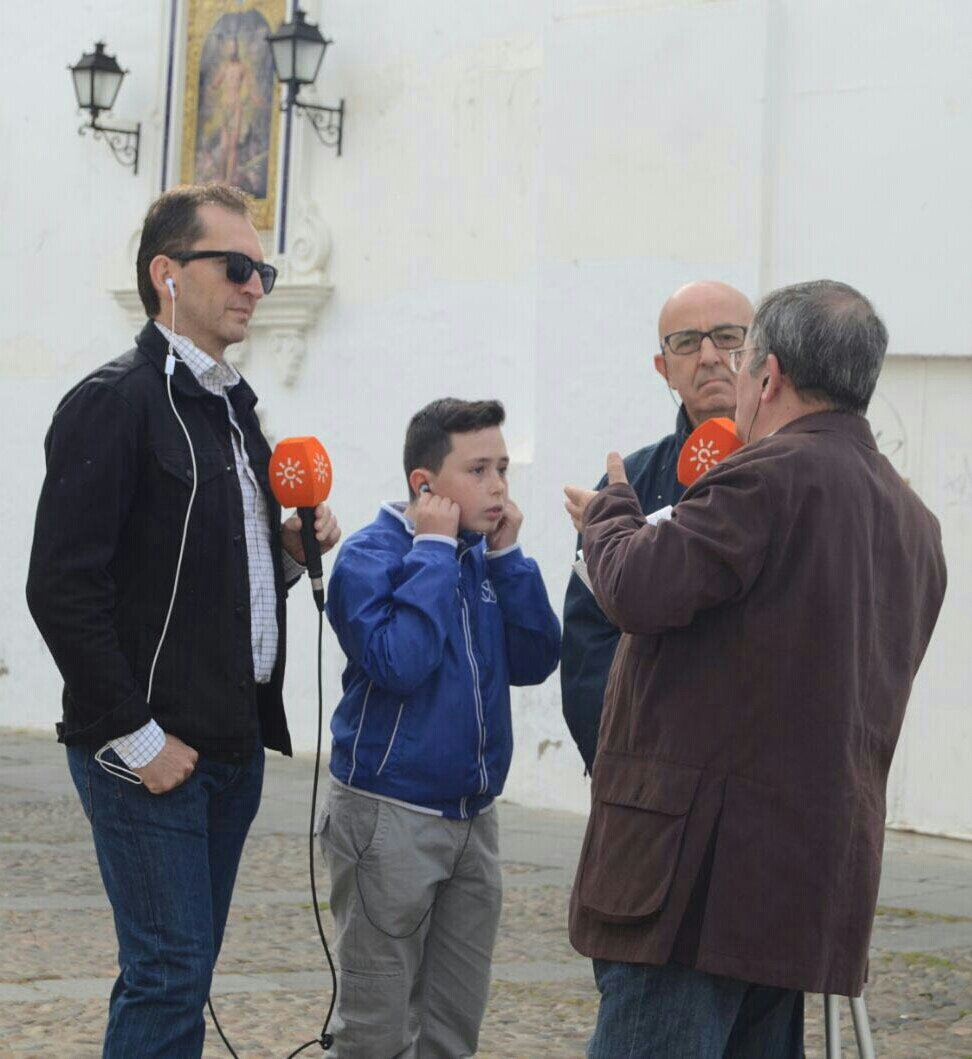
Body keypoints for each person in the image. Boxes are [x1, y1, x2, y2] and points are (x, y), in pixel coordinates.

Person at [563, 280, 947, 1058]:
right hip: (803, 885)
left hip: (695, 888)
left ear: (766, 377)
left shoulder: (767, 475)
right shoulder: (915, 523)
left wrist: (609, 512)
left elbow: (637, 584)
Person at [25, 183, 341, 1058]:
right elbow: (59, 585)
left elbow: (216, 578)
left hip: (227, 745)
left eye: (265, 270)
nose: (255, 285)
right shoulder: (116, 400)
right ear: (167, 274)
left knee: (181, 973)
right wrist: (136, 736)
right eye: (235, 266)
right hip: (148, 751)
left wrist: (290, 548)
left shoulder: (235, 411)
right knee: (169, 972)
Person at [320, 398, 561, 1057]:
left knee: (453, 1024)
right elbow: (401, 661)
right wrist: (430, 547)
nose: (499, 486)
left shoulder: (484, 557)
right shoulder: (370, 558)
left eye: (503, 468)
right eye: (479, 469)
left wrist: (510, 558)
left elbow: (538, 657)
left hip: (472, 818)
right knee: (376, 1028)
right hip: (388, 815)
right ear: (424, 484)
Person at [561, 280, 753, 772]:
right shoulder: (630, 484)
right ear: (663, 368)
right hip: (651, 771)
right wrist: (618, 757)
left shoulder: (798, 475)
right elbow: (590, 638)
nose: (709, 355)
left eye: (729, 337)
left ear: (760, 355)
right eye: (687, 342)